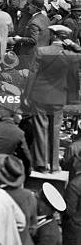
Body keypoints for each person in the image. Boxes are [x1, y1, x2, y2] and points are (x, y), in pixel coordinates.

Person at [26, 24, 81, 173]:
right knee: (55, 131)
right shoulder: (71, 55)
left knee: (40, 129)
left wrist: (27, 94)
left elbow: (32, 74)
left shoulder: (42, 51)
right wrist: (74, 45)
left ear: (54, 36)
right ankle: (54, 165)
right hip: (58, 97)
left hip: (40, 95)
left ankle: (41, 165)